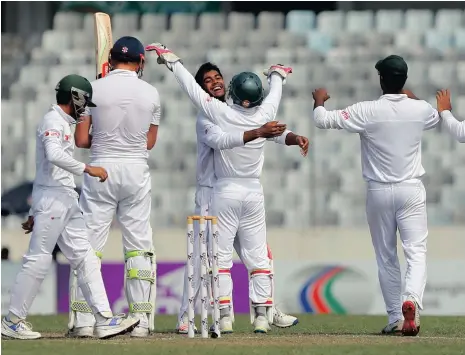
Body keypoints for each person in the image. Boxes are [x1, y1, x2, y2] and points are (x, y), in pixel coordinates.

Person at [147, 43, 308, 333]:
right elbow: (263, 114)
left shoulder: (224, 112)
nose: (214, 82)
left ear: (231, 87)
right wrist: (277, 76)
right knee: (206, 260)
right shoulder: (212, 115)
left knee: (244, 256)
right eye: (207, 81)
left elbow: (270, 132)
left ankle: (255, 313)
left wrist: (173, 62)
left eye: (217, 77)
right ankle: (189, 317)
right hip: (211, 194)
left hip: (225, 193)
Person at [0, 75, 139, 340]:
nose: (85, 108)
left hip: (63, 199)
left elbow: (43, 168)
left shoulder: (61, 122)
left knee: (85, 257)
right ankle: (12, 321)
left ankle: (104, 319)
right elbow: (52, 156)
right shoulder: (53, 121)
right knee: (39, 259)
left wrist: (32, 213)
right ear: (75, 96)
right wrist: (88, 168)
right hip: (53, 199)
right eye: (84, 101)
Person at [311, 55, 440, 336]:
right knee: (416, 253)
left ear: (381, 80)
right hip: (411, 190)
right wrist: (410, 96)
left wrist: (319, 100)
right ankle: (412, 301)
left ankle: (396, 316)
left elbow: (321, 121)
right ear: (404, 80)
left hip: (379, 192)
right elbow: (435, 115)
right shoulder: (419, 109)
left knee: (386, 256)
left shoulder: (366, 110)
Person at [70, 36, 160, 338]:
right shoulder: (152, 93)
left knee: (90, 247)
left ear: (109, 58)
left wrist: (107, 139)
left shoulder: (89, 89)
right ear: (141, 61)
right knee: (137, 247)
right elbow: (149, 143)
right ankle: (141, 321)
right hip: (135, 169)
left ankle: (83, 322)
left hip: (100, 169)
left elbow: (81, 140)